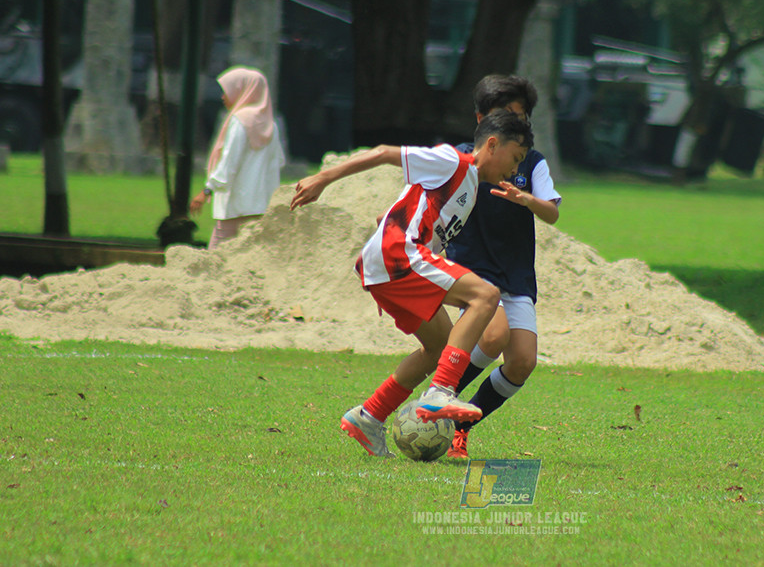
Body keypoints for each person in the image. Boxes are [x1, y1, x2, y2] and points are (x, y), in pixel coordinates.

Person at [290, 109, 534, 457]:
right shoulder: (453, 162)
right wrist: (323, 178)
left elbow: (402, 209)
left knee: (438, 347)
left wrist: (390, 221)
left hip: (389, 264)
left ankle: (369, 416)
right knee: (486, 295)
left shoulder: (469, 188)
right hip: (398, 255)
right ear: (492, 145)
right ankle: (441, 391)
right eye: (516, 158)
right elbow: (383, 153)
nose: (515, 170)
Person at [444, 74, 561, 459]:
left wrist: (526, 199)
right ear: (482, 120)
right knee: (493, 335)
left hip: (514, 273)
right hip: (472, 270)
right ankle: (440, 394)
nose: (514, 123)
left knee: (523, 361)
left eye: (520, 116)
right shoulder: (461, 157)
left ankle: (461, 425)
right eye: (504, 115)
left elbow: (552, 212)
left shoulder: (532, 161)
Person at [189, 67, 285, 249]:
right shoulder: (271, 125)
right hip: (260, 206)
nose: (223, 97)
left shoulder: (240, 121)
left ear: (242, 91)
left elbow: (229, 162)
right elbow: (278, 162)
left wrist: (207, 190)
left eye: (227, 91)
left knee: (216, 253)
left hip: (235, 206)